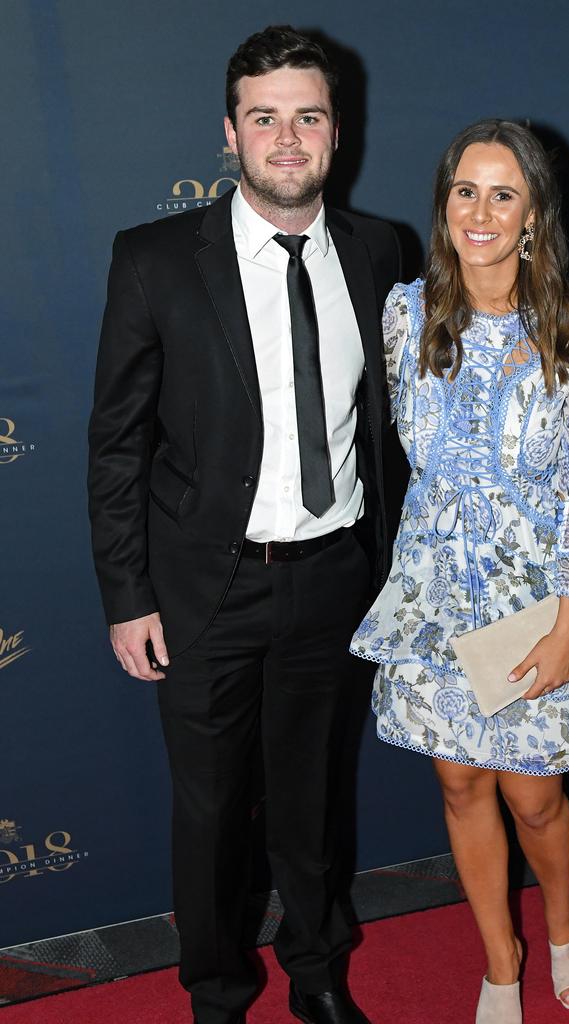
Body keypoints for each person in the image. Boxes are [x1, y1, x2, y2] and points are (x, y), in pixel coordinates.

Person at [88, 25, 400, 1024]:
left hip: (335, 578)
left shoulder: (379, 248)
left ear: (336, 132)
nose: (288, 137)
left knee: (311, 803)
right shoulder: (153, 260)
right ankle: (218, 997)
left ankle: (317, 978)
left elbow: (392, 428)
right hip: (203, 590)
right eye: (264, 118)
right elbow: (117, 445)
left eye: (307, 116)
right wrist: (128, 594)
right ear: (229, 134)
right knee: (215, 814)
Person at [350, 120, 569, 1023]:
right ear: (444, 205)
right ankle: (500, 957)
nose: (480, 212)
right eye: (465, 191)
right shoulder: (408, 313)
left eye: (503, 194)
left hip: (535, 598)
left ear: (533, 216)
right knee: (458, 784)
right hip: (437, 592)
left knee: (533, 799)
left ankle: (562, 920)